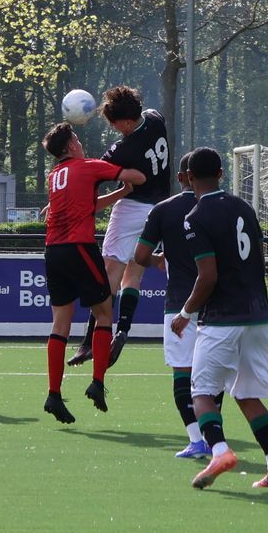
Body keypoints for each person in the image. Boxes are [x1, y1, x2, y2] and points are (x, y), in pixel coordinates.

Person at [169, 148, 268, 489]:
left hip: (222, 318)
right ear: (221, 173)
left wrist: (184, 313)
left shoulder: (194, 217)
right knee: (247, 394)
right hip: (257, 314)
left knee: (201, 393)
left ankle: (220, 451)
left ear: (190, 178)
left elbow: (207, 276)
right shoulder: (244, 208)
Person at [39, 121, 144, 423]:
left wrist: (120, 194)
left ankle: (54, 394)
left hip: (53, 251)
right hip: (79, 248)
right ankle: (98, 383)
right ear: (71, 145)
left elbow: (87, 205)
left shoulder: (55, 175)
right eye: (77, 138)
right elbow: (139, 176)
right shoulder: (88, 166)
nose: (81, 142)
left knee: (60, 322)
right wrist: (126, 176)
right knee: (104, 313)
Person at [131, 159, 220, 459]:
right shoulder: (218, 208)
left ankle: (197, 440)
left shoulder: (163, 209)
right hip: (217, 304)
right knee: (212, 376)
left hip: (179, 304)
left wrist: (158, 259)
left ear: (181, 176)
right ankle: (214, 438)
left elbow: (140, 255)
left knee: (182, 374)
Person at [86, 84, 170, 369]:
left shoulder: (124, 148)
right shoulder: (155, 117)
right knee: (133, 275)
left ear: (127, 121)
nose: (113, 128)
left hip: (133, 208)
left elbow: (96, 172)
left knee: (110, 272)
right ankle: (123, 329)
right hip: (158, 209)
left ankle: (90, 340)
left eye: (114, 123)